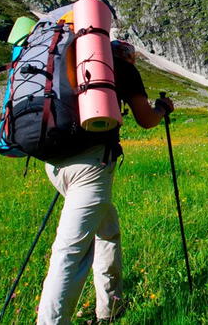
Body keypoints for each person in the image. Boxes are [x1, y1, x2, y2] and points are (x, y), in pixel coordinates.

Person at [37, 40, 174, 324]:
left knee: (107, 230)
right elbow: (146, 119)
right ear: (128, 56)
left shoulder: (69, 62)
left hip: (52, 161)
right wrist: (162, 108)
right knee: (69, 253)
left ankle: (111, 306)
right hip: (91, 167)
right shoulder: (120, 67)